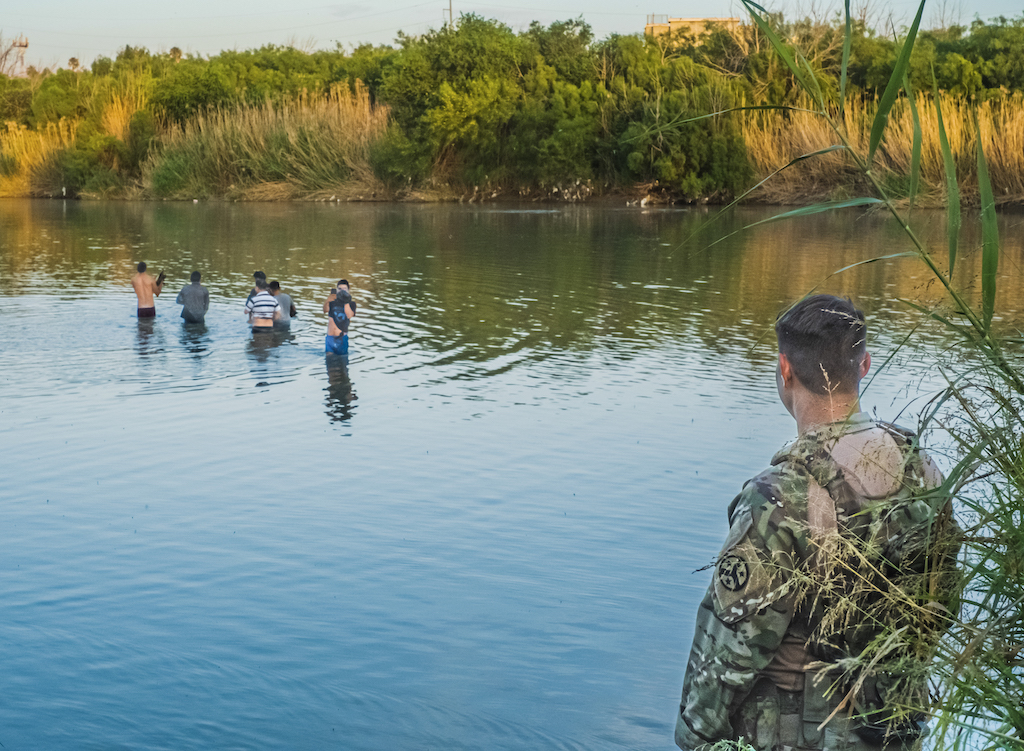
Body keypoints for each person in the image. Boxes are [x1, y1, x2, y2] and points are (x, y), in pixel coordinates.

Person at [674, 294, 955, 751]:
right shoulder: (923, 470)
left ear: (785, 369)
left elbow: (728, 656)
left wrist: (692, 738)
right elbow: (940, 606)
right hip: (892, 732)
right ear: (864, 366)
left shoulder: (778, 497)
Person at [323, 279, 357, 354]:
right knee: (329, 362)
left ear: (348, 290)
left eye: (344, 289)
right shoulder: (332, 302)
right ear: (337, 289)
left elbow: (349, 315)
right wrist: (329, 299)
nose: (342, 291)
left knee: (342, 363)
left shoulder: (351, 303)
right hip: (330, 338)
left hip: (341, 338)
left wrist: (346, 301)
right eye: (340, 289)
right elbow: (325, 310)